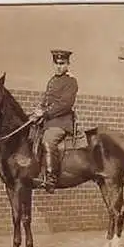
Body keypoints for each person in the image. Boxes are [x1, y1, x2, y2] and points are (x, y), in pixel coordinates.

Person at [29, 49, 79, 194]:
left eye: (62, 63)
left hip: (61, 122)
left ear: (68, 64)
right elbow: (46, 100)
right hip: (48, 121)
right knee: (31, 135)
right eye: (56, 63)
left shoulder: (71, 81)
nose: (59, 66)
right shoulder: (52, 80)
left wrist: (45, 113)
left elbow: (65, 104)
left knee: (48, 140)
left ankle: (51, 178)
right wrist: (37, 111)